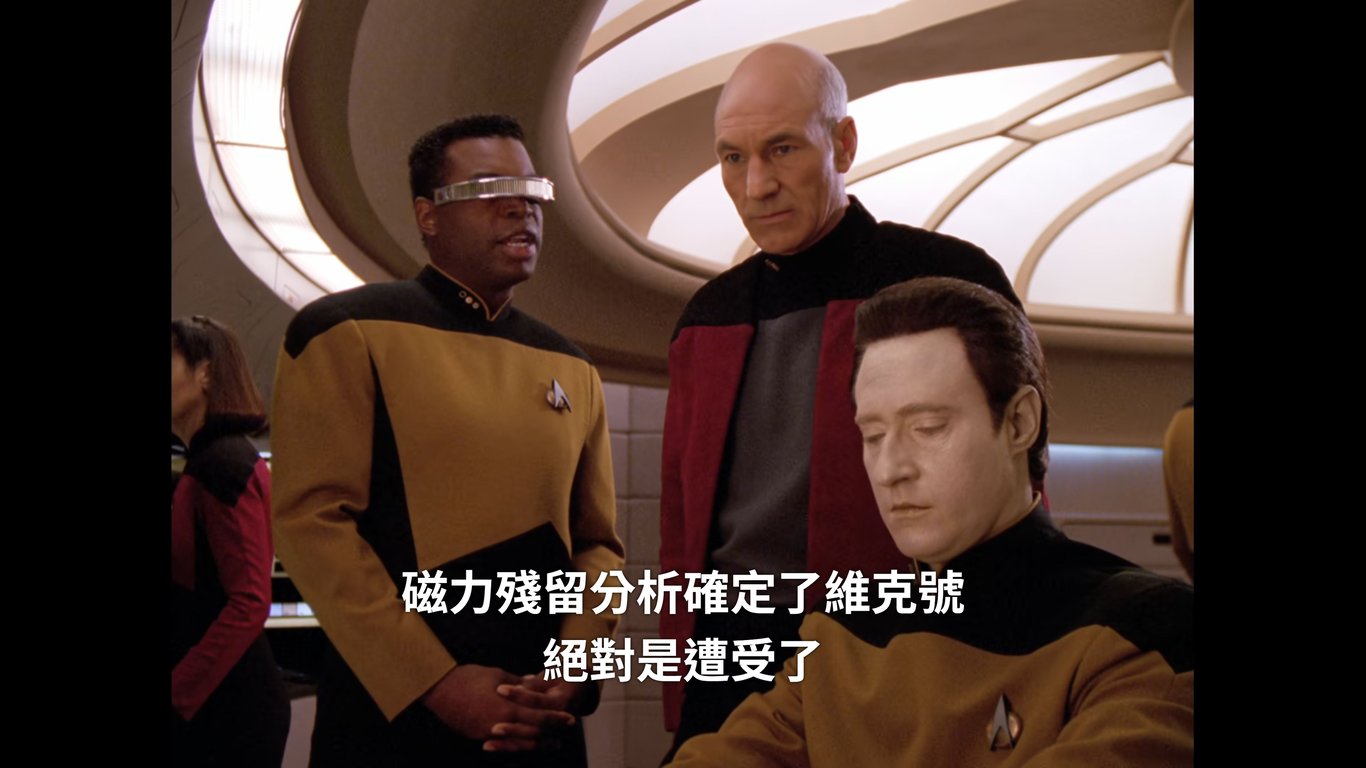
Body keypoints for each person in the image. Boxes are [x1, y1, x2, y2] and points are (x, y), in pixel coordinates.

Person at [668, 276, 1194, 766]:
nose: (890, 469)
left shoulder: (1144, 631)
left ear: (1019, 423)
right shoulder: (836, 635)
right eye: (873, 436)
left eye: (928, 427)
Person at [660, 42, 1022, 752]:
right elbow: (681, 525)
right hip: (728, 651)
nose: (756, 185)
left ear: (844, 144)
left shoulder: (947, 280)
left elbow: (1018, 489)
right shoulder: (705, 315)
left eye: (782, 149)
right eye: (733, 158)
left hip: (896, 641)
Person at [270, 114, 624, 767]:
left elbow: (598, 545)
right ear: (427, 215)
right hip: (391, 718)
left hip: (539, 717)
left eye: (531, 188)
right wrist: (434, 682)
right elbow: (312, 525)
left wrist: (576, 664)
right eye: (490, 188)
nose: (521, 206)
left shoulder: (572, 365)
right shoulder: (345, 331)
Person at [171, 315, 290, 767]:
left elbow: (249, 602)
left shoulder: (222, 463)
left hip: (226, 712)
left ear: (205, 372)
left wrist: (179, 691)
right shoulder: (212, 458)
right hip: (216, 703)